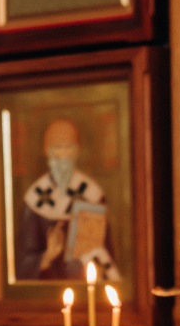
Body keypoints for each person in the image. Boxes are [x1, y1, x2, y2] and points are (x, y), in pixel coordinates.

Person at [17, 117, 119, 282]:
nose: (63, 155)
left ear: (77, 150)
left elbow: (103, 250)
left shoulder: (92, 193)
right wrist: (47, 256)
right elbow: (23, 264)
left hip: (84, 285)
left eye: (68, 148)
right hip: (45, 290)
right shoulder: (34, 197)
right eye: (57, 148)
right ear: (47, 152)